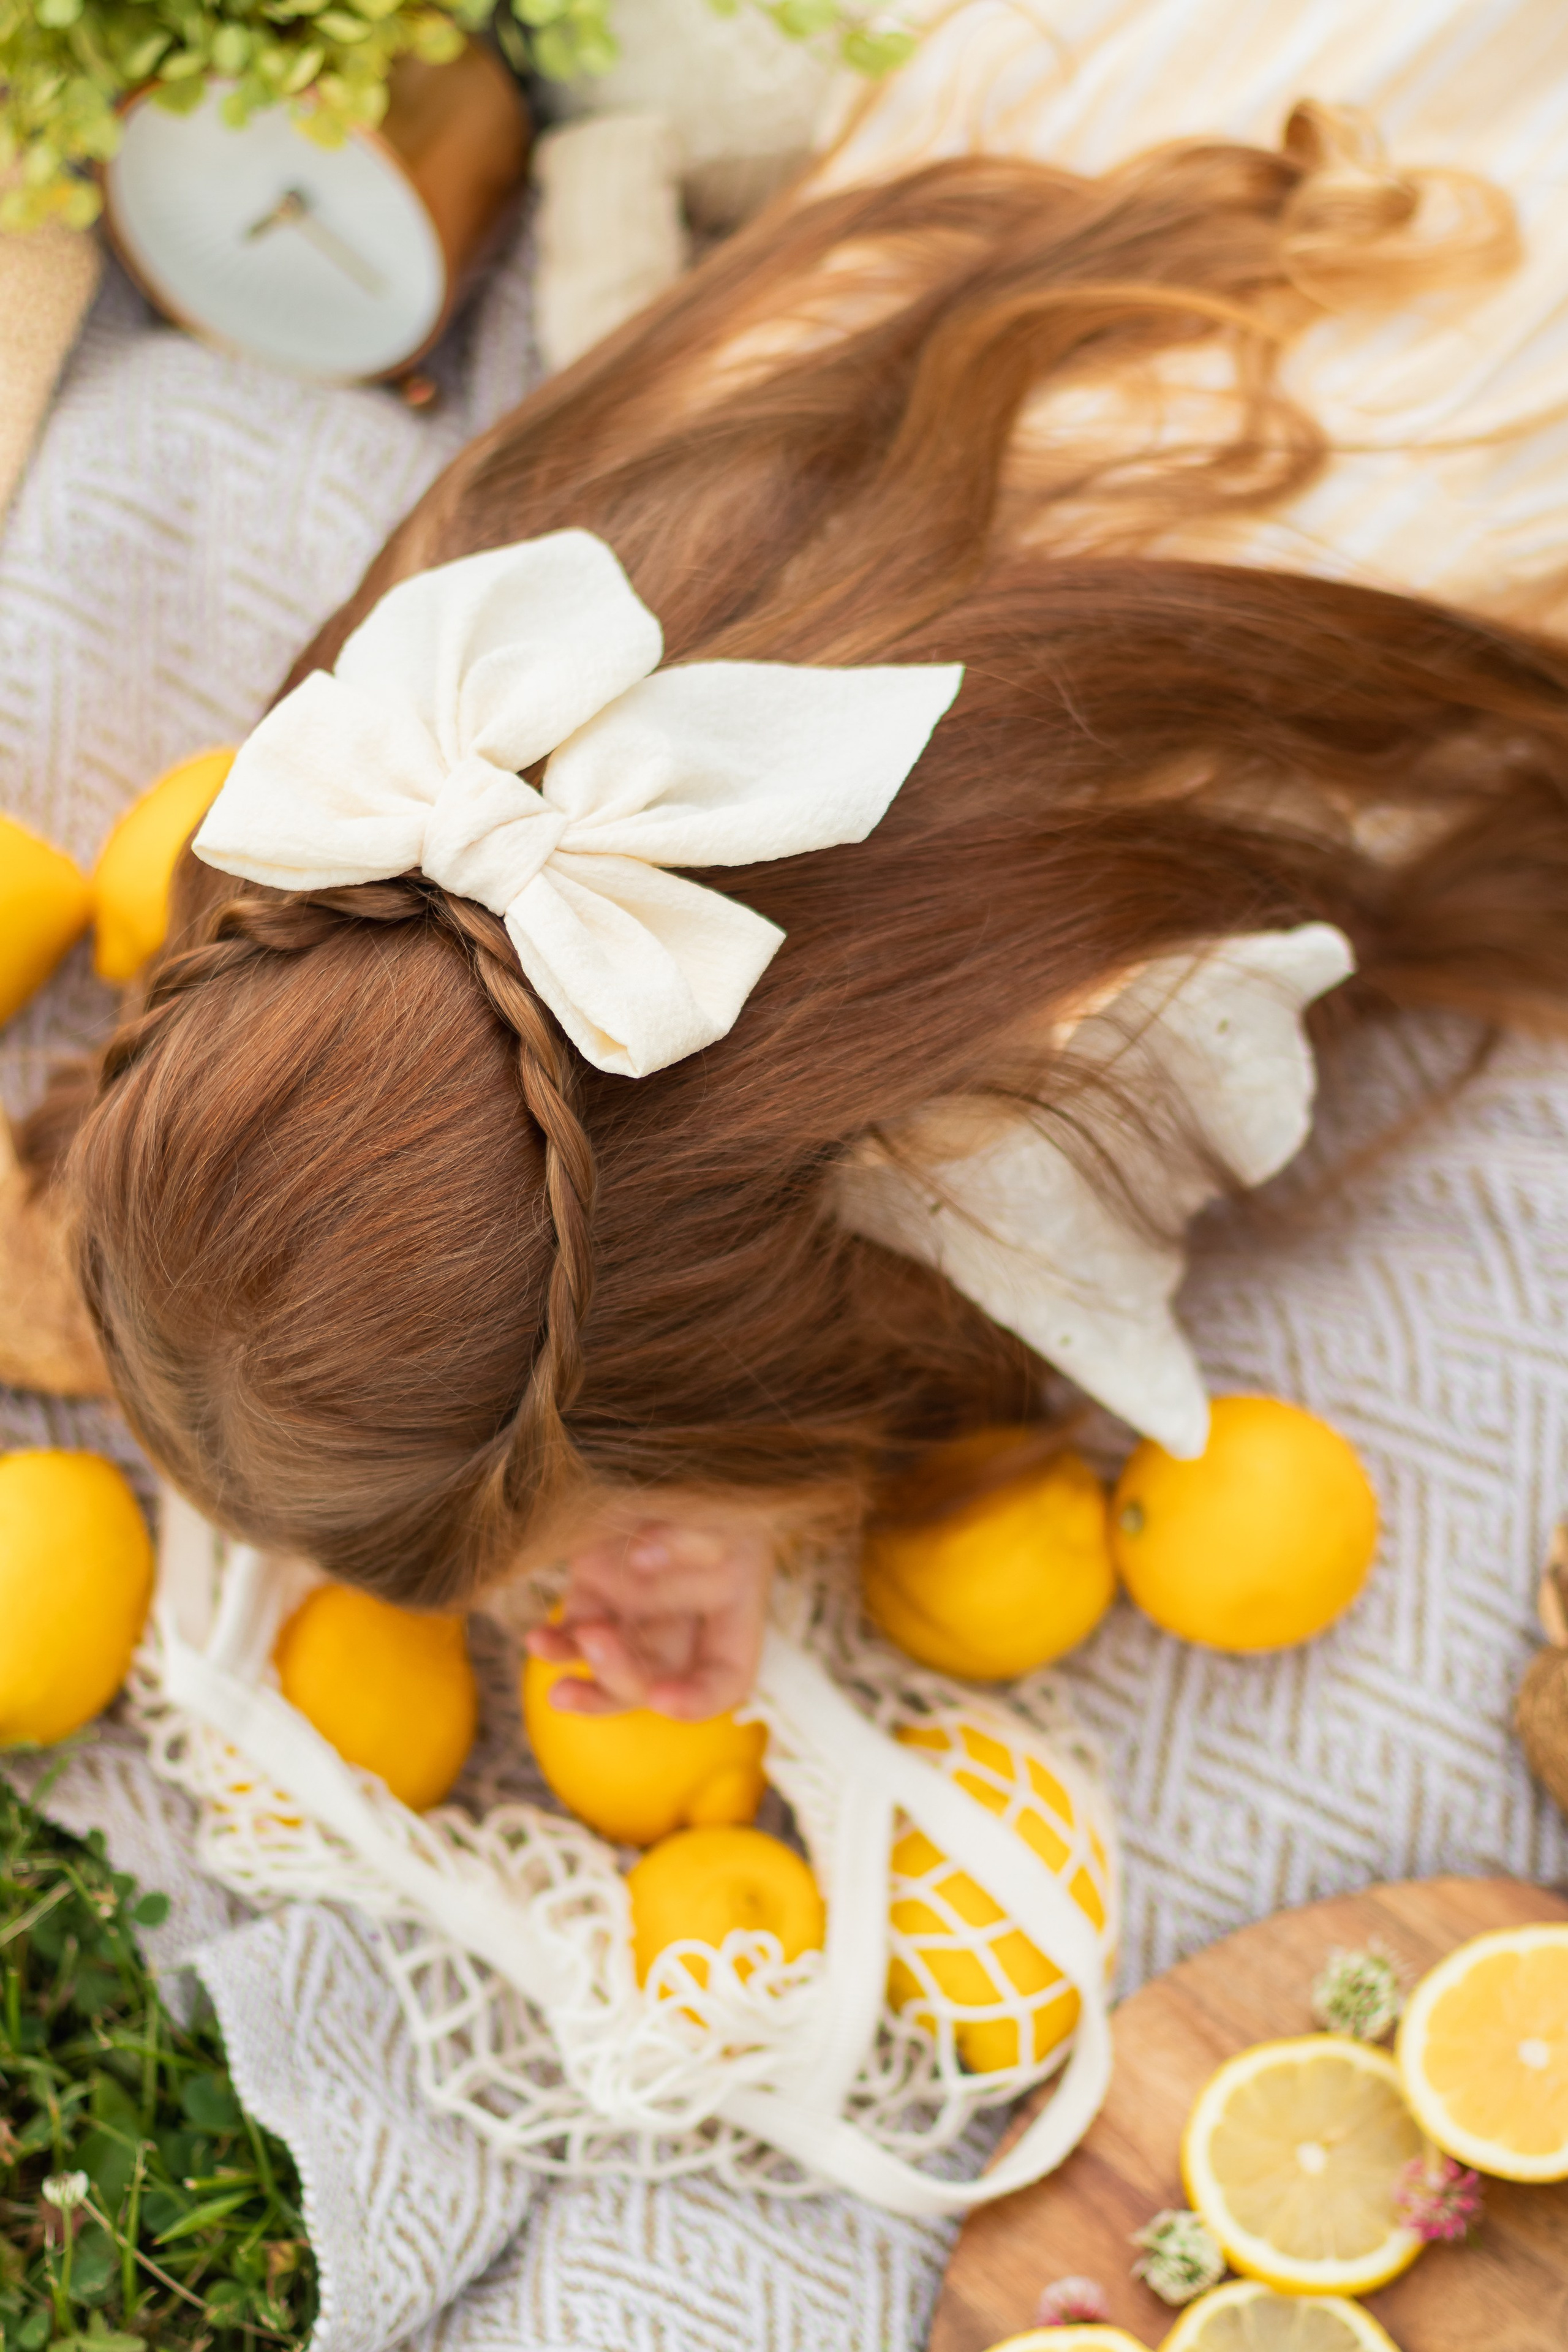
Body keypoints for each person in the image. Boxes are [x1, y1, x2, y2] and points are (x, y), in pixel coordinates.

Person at [43, 34, 1568, 1730]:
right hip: (1218, 120)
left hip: (1481, 408)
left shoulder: (1037, 1074)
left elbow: (1028, 1276)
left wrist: (742, 1497)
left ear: (728, 1360)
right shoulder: (480, 655)